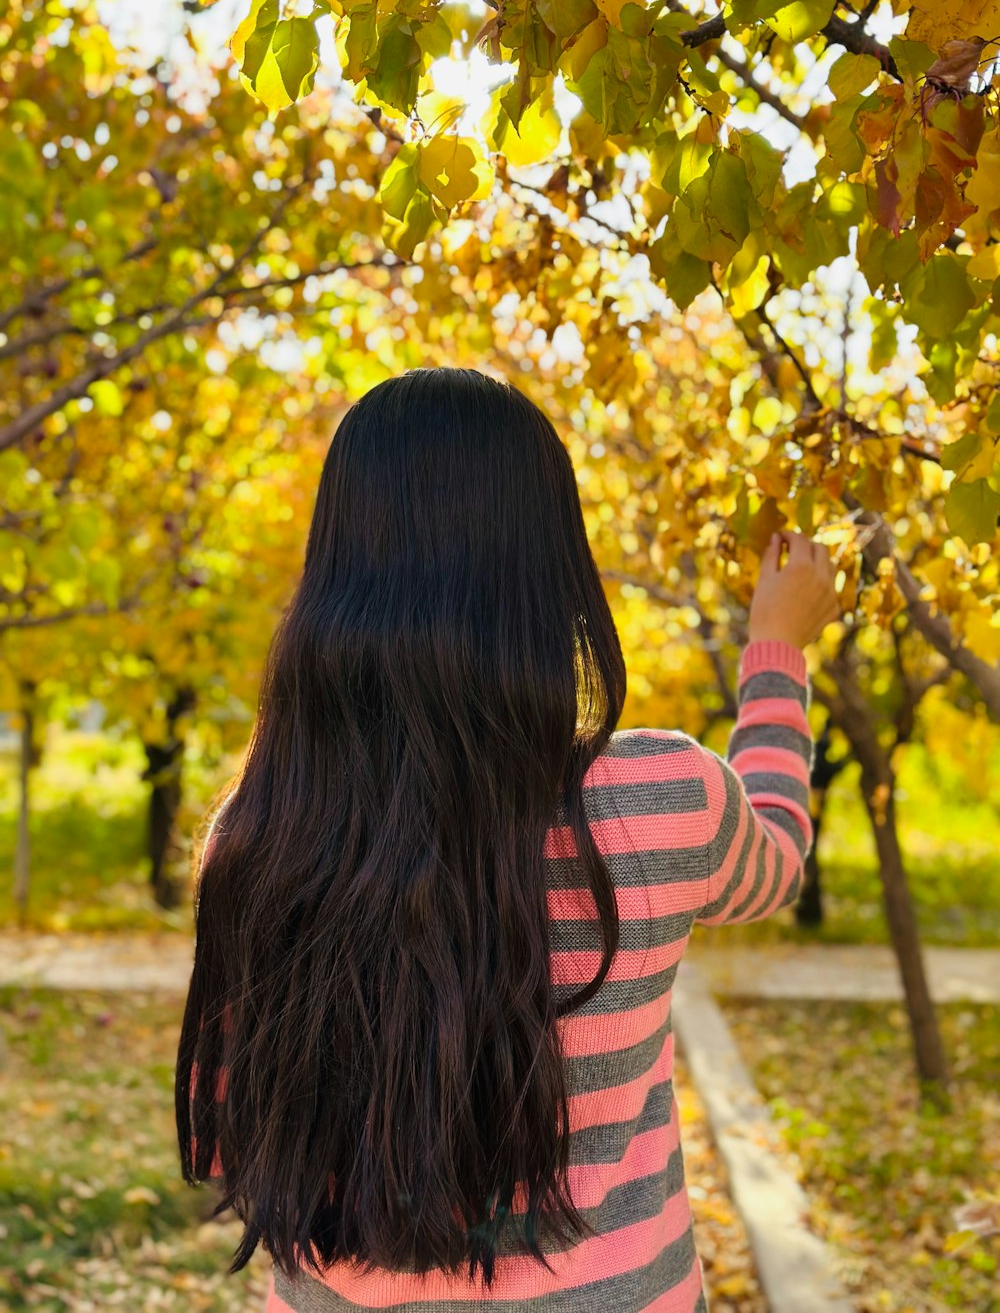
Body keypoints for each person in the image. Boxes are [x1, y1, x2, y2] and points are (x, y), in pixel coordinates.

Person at [175, 367, 840, 1313]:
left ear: (334, 581)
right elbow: (776, 853)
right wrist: (777, 648)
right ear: (551, 574)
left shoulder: (260, 834)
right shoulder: (658, 801)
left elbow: (229, 1133)